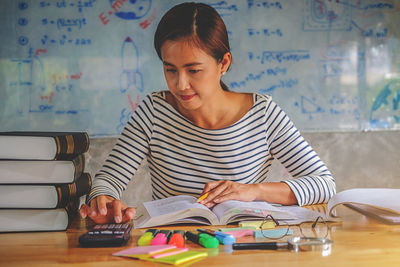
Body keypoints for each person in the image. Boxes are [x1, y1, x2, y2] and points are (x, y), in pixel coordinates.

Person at [80, 2, 336, 224]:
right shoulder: (154, 112)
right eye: (170, 70)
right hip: (171, 249)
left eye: (193, 70)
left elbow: (324, 184)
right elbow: (108, 181)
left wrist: (252, 191)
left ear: (223, 63)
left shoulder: (263, 114)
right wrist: (103, 202)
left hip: (243, 249)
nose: (180, 84)